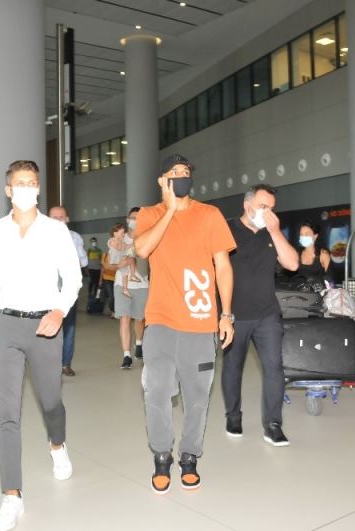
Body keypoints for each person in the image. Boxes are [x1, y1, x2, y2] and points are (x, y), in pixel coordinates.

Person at [0, 160, 81, 531]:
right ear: (8, 190)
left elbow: (73, 277)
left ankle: (57, 444)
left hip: (44, 326)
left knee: (50, 401)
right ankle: (11, 496)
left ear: (38, 187)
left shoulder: (55, 230)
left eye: (32, 182)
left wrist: (59, 310)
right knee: (7, 413)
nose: (26, 188)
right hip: (5, 325)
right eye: (19, 183)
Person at [134, 153, 236, 495]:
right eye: (174, 172)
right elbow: (142, 250)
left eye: (186, 171)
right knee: (156, 392)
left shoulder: (210, 215)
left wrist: (226, 314)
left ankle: (190, 456)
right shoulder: (149, 214)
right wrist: (170, 210)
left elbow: (223, 267)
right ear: (162, 180)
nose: (182, 176)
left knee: (197, 397)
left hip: (201, 322)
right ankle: (162, 455)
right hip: (161, 321)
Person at [222, 184, 299, 446]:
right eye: (263, 206)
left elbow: (292, 263)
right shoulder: (227, 229)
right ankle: (233, 416)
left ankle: (273, 424)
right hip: (235, 314)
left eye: (271, 208)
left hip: (267, 313)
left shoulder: (271, 233)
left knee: (274, 367)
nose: (268, 212)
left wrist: (275, 231)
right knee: (233, 367)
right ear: (247, 206)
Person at [48, 205, 89, 377]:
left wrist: (71, 259)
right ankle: (48, 364)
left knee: (69, 327)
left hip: (67, 290)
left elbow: (84, 262)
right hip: (46, 291)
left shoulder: (75, 237)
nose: (58, 220)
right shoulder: (39, 237)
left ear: (67, 219)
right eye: (54, 217)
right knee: (47, 326)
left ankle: (65, 364)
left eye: (61, 217)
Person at [111, 207, 149, 370]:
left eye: (138, 218)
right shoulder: (120, 238)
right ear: (127, 219)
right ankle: (126, 355)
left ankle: (139, 343)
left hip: (142, 284)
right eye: (132, 217)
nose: (134, 220)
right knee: (124, 318)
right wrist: (118, 265)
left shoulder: (147, 237)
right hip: (122, 284)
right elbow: (109, 263)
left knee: (140, 319)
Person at [294, 221, 331, 286]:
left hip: (318, 291)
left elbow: (330, 280)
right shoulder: (297, 254)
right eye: (301, 234)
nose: (303, 237)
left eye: (307, 234)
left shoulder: (323, 254)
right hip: (297, 291)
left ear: (315, 236)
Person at [100, 228, 119, 316]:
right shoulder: (105, 255)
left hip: (117, 279)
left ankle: (116, 310)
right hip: (107, 278)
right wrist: (100, 280)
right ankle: (113, 311)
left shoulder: (119, 255)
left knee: (117, 296)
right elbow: (102, 268)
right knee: (111, 296)